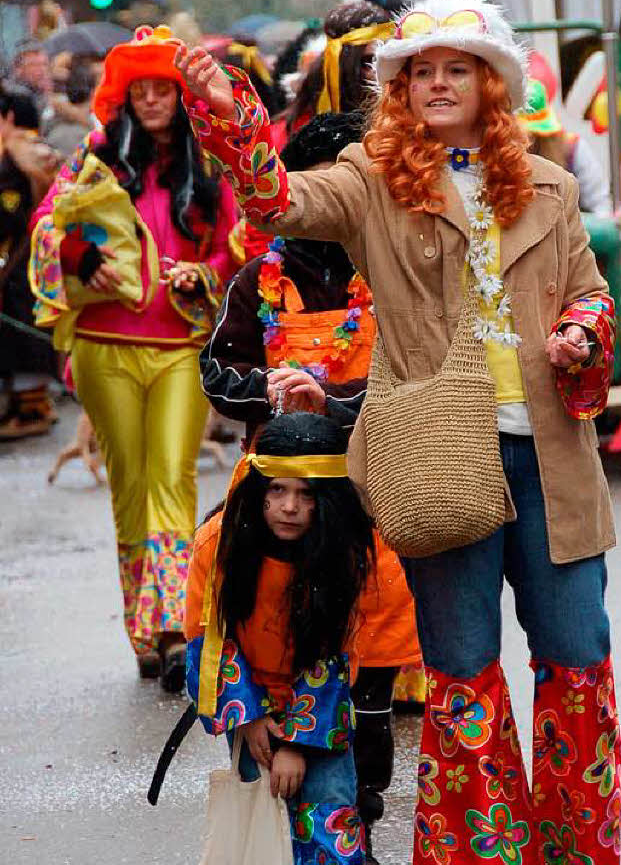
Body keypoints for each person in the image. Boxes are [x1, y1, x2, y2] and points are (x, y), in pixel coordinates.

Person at [176, 0, 621, 862]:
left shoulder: (551, 186)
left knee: (577, 653)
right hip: (436, 457)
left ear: (494, 83)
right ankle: (480, 853)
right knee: (460, 664)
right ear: (401, 91)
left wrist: (582, 331)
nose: (439, 84)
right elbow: (275, 203)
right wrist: (231, 117)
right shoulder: (370, 180)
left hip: (553, 460)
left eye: (459, 68)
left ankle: (577, 851)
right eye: (422, 72)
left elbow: (588, 291)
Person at [200, 110, 422, 864]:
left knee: (376, 603)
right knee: (245, 598)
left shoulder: (394, 267)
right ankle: (267, 740)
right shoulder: (255, 280)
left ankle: (362, 756)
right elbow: (214, 374)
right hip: (278, 484)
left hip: (372, 476)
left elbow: (421, 376)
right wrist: (272, 392)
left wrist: (338, 404)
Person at [28, 24, 239, 690]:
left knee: (172, 477)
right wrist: (82, 256)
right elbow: (45, 229)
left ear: (181, 96)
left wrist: (201, 272)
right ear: (124, 96)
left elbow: (243, 239)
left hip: (179, 345)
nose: (152, 100)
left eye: (164, 89)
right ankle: (142, 631)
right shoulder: (92, 159)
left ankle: (174, 624)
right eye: (140, 89)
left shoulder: (208, 163)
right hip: (103, 347)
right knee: (129, 484)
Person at [185, 412, 374, 864]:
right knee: (264, 834)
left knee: (328, 822)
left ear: (325, 500)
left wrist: (297, 741)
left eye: (306, 494)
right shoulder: (218, 542)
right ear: (258, 490)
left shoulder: (344, 550)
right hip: (251, 709)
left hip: (319, 712)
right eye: (277, 490)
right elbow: (205, 639)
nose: (289, 506)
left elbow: (339, 650)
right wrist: (248, 719)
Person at [0, 82, 60, 438]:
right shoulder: (32, 150)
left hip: (23, 260)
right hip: (33, 259)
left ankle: (33, 407)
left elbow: (13, 213)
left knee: (22, 333)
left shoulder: (20, 156)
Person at [271, 1, 392, 150]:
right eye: (369, 62)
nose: (381, 73)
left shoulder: (408, 126)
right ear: (341, 67)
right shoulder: (289, 138)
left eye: (389, 60)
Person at [520, 79, 612, 217]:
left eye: (535, 135)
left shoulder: (574, 149)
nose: (529, 141)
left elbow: (601, 206)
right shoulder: (493, 154)